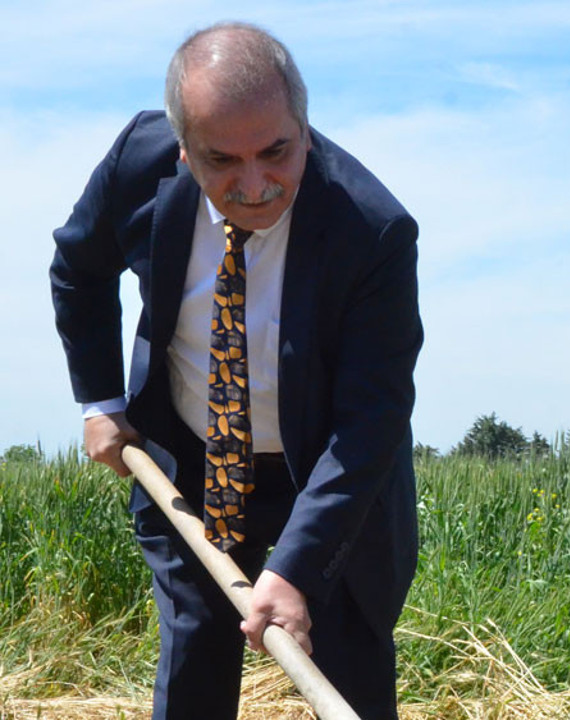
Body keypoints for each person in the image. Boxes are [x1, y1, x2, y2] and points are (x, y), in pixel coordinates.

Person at [50, 23, 421, 719]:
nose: (254, 186)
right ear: (184, 149)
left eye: (276, 152)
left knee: (351, 671)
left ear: (303, 129)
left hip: (330, 478)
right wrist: (100, 399)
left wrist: (297, 569)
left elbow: (371, 420)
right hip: (193, 465)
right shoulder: (137, 161)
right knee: (195, 657)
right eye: (222, 160)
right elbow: (79, 267)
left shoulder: (372, 232)